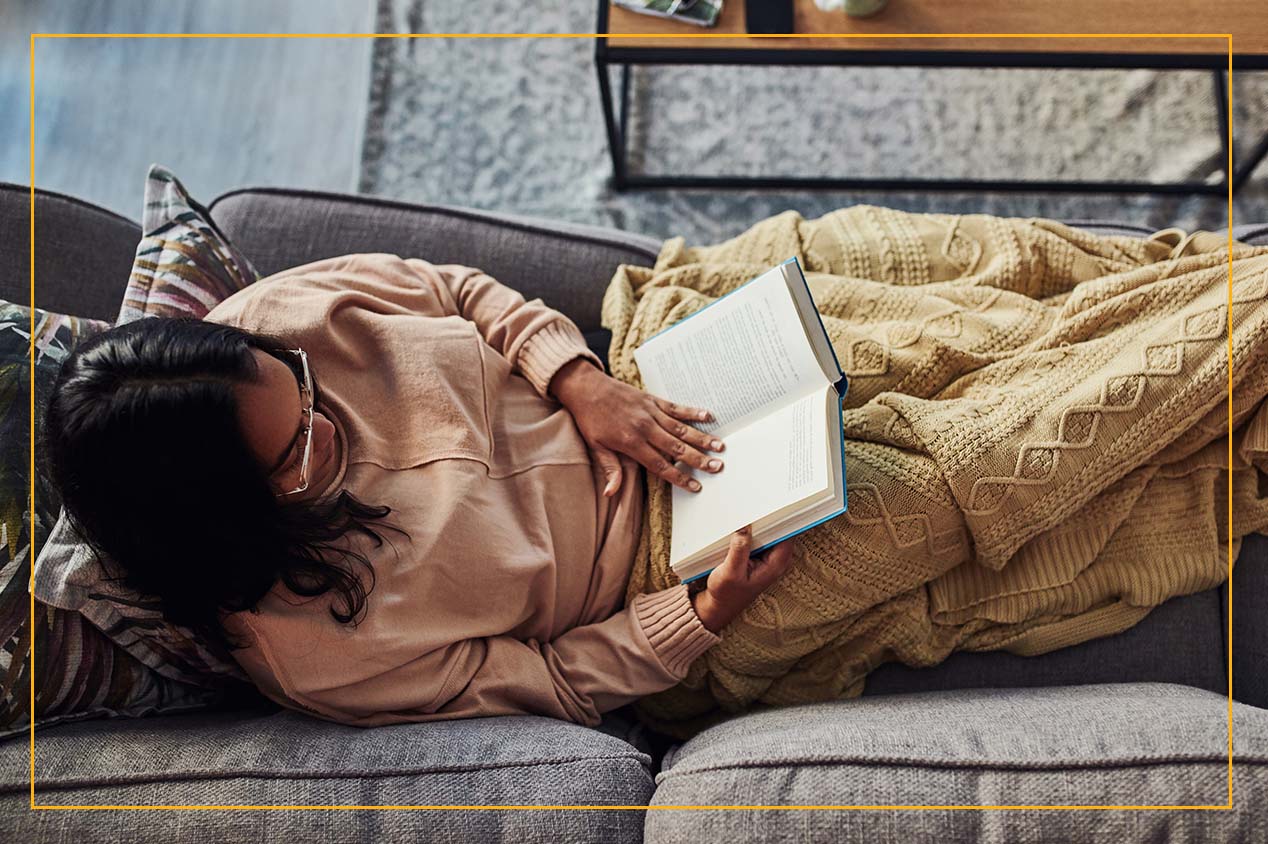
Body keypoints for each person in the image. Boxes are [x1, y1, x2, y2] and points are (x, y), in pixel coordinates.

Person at [43, 253, 796, 728]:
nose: (326, 427)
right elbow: (552, 682)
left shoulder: (272, 319)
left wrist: (581, 382)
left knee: (845, 274)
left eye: (303, 388)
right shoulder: (314, 654)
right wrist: (698, 615)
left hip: (636, 374)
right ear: (224, 521)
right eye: (297, 449)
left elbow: (454, 289)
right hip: (664, 572)